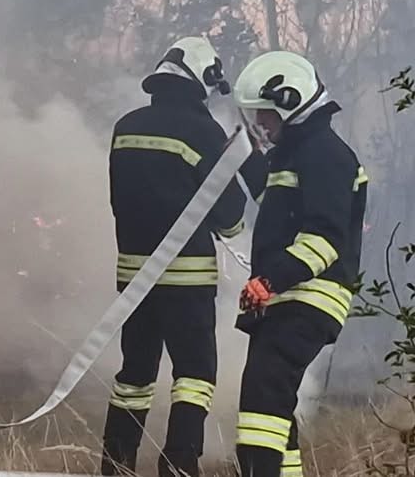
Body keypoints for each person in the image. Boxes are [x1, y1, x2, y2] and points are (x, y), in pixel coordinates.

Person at [103, 36, 266, 477]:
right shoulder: (202, 131)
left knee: (134, 374)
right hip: (187, 279)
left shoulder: (125, 126)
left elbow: (122, 200)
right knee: (194, 373)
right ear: (204, 80)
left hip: (133, 278)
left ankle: (115, 464)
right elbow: (230, 214)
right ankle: (178, 463)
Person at [231, 50, 368, 477]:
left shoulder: (326, 155)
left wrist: (270, 280)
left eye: (265, 116)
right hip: (289, 297)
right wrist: (240, 156)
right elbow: (276, 209)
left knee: (261, 411)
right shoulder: (298, 155)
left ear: (290, 102)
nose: (261, 125)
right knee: (275, 419)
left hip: (308, 297)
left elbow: (326, 238)